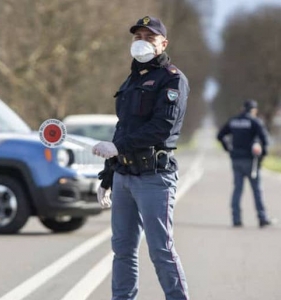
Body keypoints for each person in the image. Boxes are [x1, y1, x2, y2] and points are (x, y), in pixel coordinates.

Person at [91, 16, 190, 300]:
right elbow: (123, 128)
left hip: (154, 177)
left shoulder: (173, 79)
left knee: (161, 250)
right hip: (124, 177)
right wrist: (108, 176)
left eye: (149, 37)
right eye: (137, 37)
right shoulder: (132, 79)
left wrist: (118, 148)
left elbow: (162, 128)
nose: (142, 41)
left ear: (163, 43)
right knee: (122, 250)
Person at [216, 99, 274, 228]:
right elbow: (265, 140)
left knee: (237, 189)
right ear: (254, 110)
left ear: (242, 109)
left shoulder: (233, 121)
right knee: (257, 190)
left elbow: (220, 135)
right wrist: (261, 157)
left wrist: (228, 149)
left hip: (236, 159)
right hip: (251, 160)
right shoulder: (255, 122)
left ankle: (236, 219)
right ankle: (262, 218)